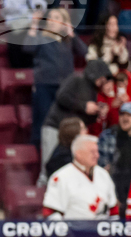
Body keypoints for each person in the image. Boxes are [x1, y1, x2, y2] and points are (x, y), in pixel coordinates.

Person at [40, 59, 112, 182]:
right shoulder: (76, 80)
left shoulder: (93, 92)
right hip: (55, 126)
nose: (103, 80)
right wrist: (84, 106)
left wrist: (96, 113)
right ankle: (42, 193)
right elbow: (61, 97)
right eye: (102, 76)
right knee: (48, 166)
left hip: (72, 135)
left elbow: (85, 119)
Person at [23, 8, 87, 146]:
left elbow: (83, 51)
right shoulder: (41, 37)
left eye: (56, 17)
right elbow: (28, 48)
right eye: (50, 17)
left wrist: (71, 33)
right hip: (45, 85)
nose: (52, 21)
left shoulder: (68, 40)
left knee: (64, 120)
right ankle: (39, 152)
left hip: (65, 88)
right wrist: (34, 25)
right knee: (43, 120)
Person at [43, 134, 119, 218]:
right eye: (92, 152)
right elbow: (50, 213)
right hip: (72, 230)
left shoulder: (103, 174)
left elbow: (113, 210)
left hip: (101, 229)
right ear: (78, 154)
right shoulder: (61, 177)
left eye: (97, 151)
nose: (97, 155)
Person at [98, 100, 131, 210]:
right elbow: (102, 169)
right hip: (114, 188)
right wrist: (112, 197)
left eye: (129, 115)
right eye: (122, 114)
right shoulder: (108, 136)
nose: (125, 118)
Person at [1, 0, 46, 68]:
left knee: (30, 62)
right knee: (16, 63)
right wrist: (23, 1)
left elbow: (42, 7)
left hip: (30, 32)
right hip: (15, 32)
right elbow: (6, 10)